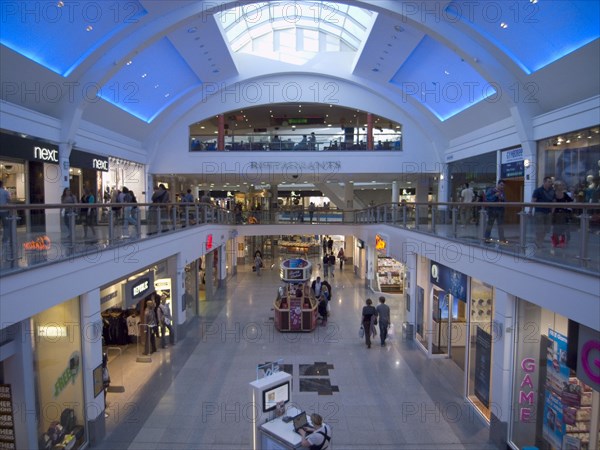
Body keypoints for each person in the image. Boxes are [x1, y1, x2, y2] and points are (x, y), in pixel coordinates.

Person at [531, 176, 556, 247]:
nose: (550, 183)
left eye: (551, 182)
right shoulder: (538, 191)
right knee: (540, 228)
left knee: (546, 228)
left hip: (548, 212)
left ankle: (540, 241)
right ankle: (538, 241)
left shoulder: (552, 191)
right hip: (539, 212)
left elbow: (554, 202)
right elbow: (533, 201)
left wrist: (552, 212)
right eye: (549, 182)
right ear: (544, 182)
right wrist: (530, 210)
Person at [551, 180, 573, 249]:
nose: (562, 186)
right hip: (556, 213)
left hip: (563, 213)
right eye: (561, 185)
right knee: (556, 228)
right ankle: (555, 242)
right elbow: (553, 205)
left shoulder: (564, 194)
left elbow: (570, 201)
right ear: (557, 186)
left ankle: (562, 242)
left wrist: (572, 192)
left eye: (562, 185)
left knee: (563, 228)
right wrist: (552, 214)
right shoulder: (553, 194)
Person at [0, 180, 13, 245]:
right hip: (4, 211)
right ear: (2, 185)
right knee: (6, 226)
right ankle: (4, 240)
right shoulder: (5, 192)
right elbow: (9, 200)